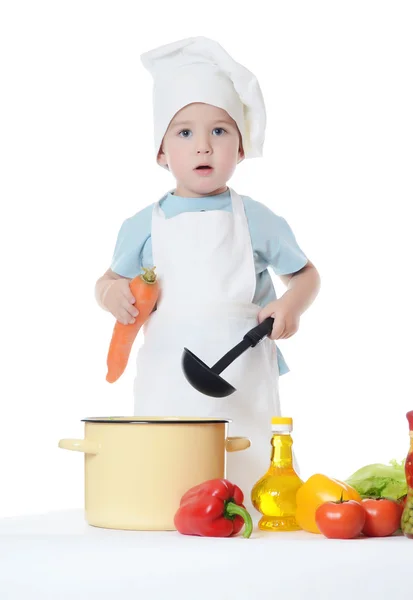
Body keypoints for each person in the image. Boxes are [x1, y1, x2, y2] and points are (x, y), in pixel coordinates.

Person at [95, 36, 320, 503]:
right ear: (161, 152)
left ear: (239, 148)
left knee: (251, 469)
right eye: (184, 133)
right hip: (167, 375)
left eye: (219, 131)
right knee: (169, 478)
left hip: (242, 373)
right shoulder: (142, 224)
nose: (203, 146)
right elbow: (109, 280)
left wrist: (289, 305)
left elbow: (306, 275)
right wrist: (110, 295)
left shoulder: (256, 218)